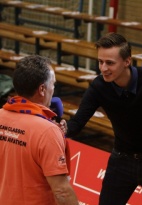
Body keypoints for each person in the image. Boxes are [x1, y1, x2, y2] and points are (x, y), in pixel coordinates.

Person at [66, 32, 142, 205]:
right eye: (100, 62)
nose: (103, 68)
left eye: (110, 63)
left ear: (127, 61)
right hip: (121, 161)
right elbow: (77, 122)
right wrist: (59, 129)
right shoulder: (99, 86)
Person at [0, 55, 78, 205]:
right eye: (53, 84)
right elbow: (62, 192)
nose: (53, 89)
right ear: (42, 89)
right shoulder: (47, 131)